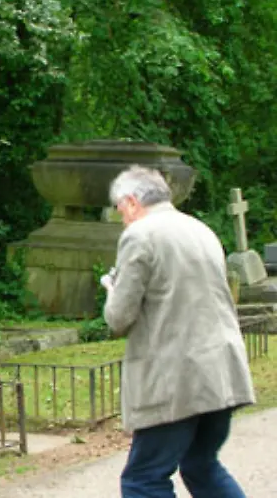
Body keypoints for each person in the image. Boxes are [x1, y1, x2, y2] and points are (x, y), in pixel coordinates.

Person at [102, 165, 255, 497]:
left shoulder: (140, 235)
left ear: (130, 202)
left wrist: (111, 289)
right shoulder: (200, 229)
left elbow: (118, 318)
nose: (121, 218)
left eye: (119, 209)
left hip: (175, 379)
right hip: (220, 373)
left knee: (143, 480)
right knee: (201, 465)